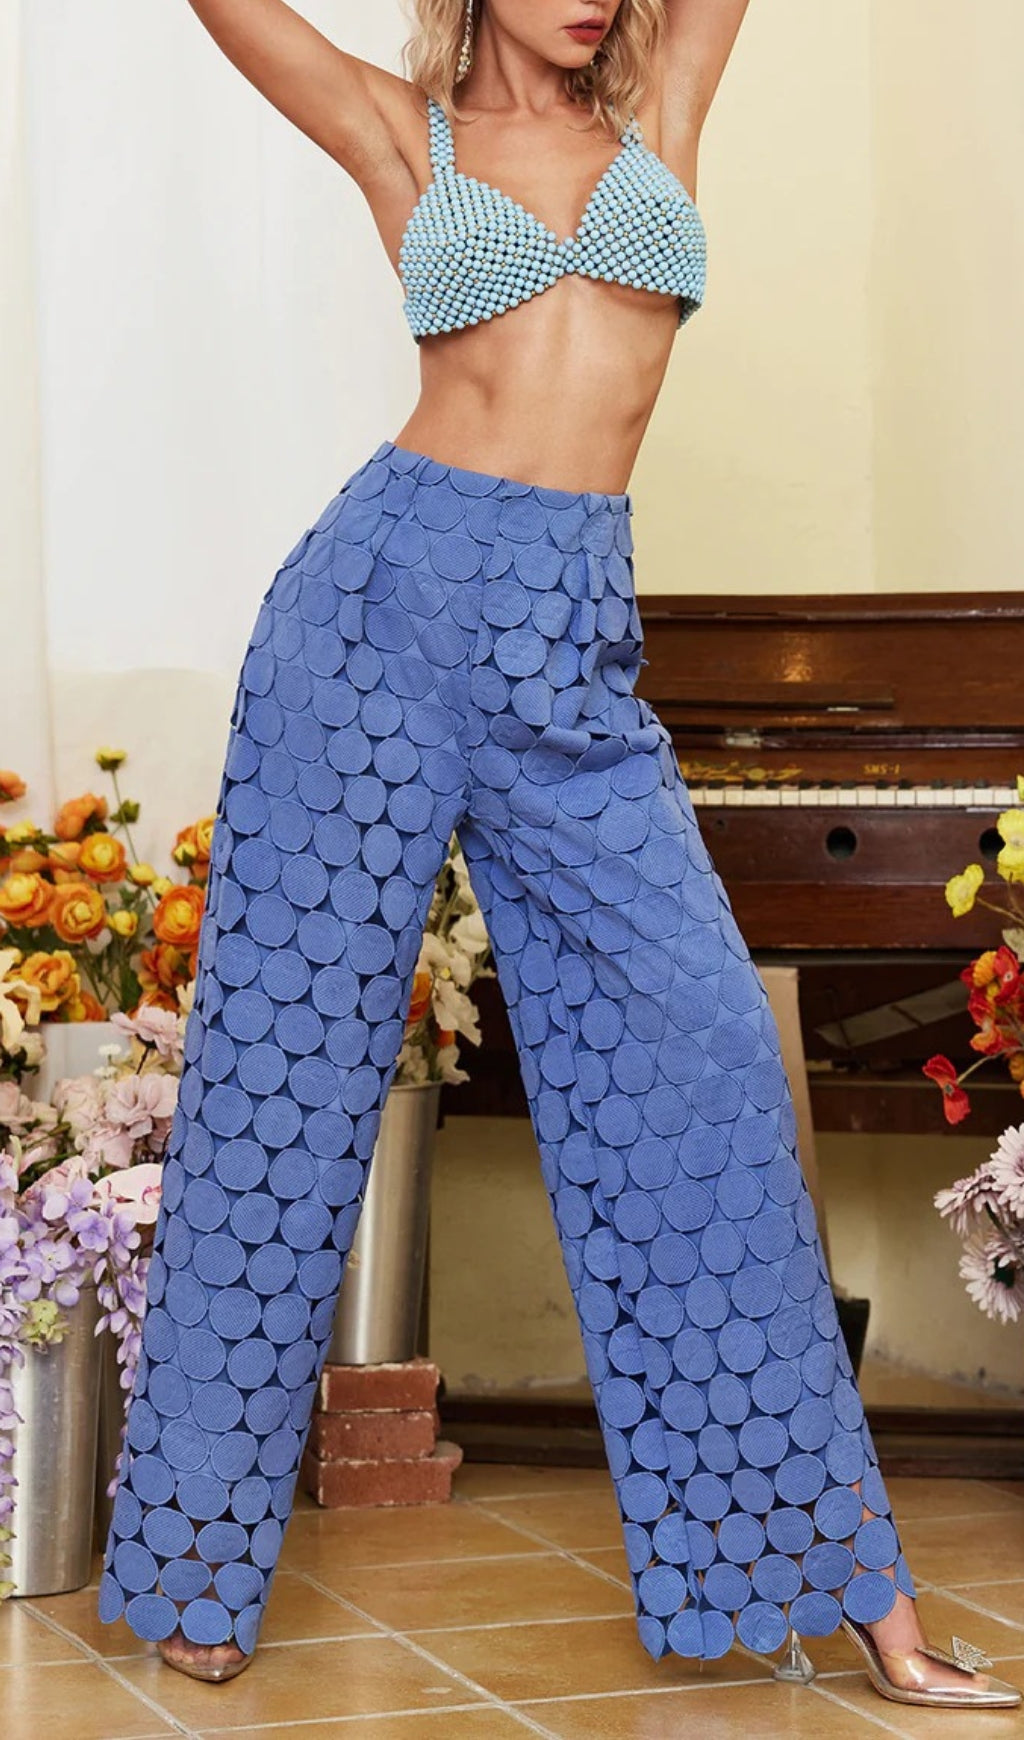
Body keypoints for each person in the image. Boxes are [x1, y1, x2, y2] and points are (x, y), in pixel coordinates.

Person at [97, 0, 1021, 1712]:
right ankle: (196, 1573)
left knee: (712, 1072)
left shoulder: (666, 104)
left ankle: (859, 1597)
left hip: (568, 648)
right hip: (371, 622)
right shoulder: (406, 134)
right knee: (280, 1094)